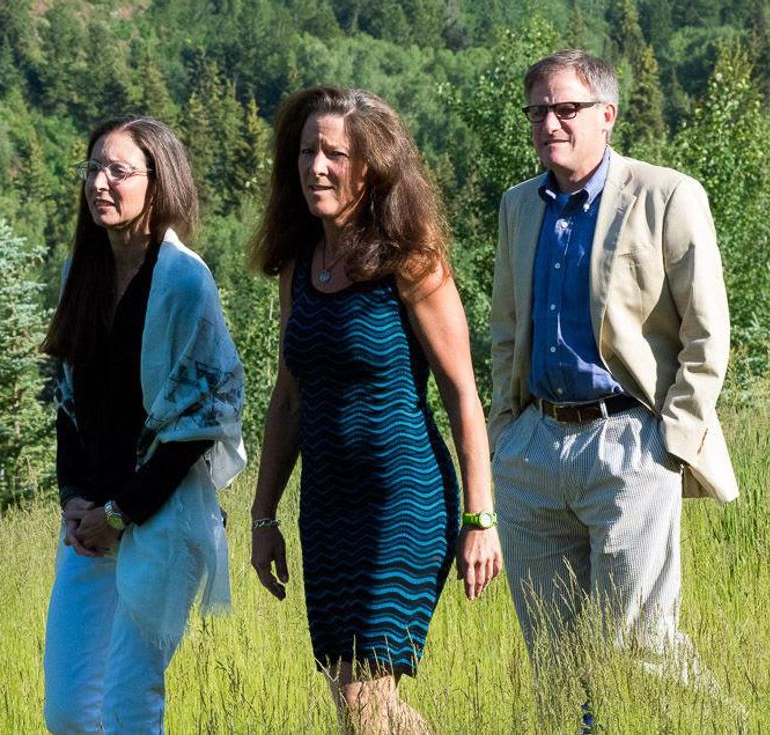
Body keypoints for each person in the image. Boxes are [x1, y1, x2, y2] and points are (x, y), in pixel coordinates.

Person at [489, 48, 738, 726]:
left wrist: (670, 440)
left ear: (608, 113)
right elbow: (506, 329)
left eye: (566, 108)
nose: (550, 124)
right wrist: (504, 433)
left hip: (629, 441)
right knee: (555, 659)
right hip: (533, 449)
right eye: (538, 111)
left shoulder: (667, 194)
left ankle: (733, 723)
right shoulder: (518, 205)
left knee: (639, 649)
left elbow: (707, 332)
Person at [249, 86, 502, 735]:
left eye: (334, 153)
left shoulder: (409, 258)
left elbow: (461, 393)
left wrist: (480, 516)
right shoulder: (298, 267)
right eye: (307, 151)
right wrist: (262, 514)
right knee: (357, 701)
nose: (316, 167)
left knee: (364, 696)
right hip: (327, 506)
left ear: (373, 167)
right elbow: (289, 396)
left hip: (403, 500)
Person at [40, 115, 245, 735]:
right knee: (71, 712)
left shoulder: (184, 280)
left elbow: (201, 423)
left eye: (118, 171)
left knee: (131, 706)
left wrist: (121, 513)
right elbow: (68, 403)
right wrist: (75, 499)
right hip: (91, 521)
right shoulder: (84, 272)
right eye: (93, 169)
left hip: (161, 516)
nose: (100, 183)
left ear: (158, 184)